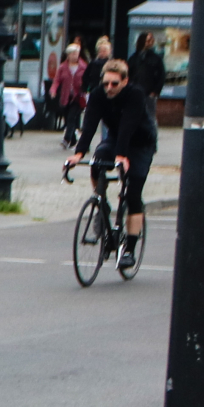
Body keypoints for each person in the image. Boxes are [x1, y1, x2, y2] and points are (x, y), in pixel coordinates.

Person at [66, 57, 157, 270]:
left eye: (114, 83)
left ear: (125, 81)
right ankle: (101, 202)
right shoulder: (98, 95)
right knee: (97, 161)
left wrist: (122, 156)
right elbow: (89, 124)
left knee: (133, 193)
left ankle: (129, 250)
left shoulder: (135, 94)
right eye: (106, 83)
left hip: (140, 143)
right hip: (116, 140)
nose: (109, 87)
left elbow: (129, 124)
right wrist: (78, 153)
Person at [50, 42, 88, 139]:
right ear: (68, 55)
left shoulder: (83, 67)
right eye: (72, 54)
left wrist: (86, 89)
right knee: (68, 119)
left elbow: (88, 79)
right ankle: (73, 139)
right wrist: (53, 90)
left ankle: (67, 138)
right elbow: (57, 80)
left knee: (72, 117)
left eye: (76, 53)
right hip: (66, 96)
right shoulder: (63, 67)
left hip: (78, 96)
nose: (74, 56)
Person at [128, 31, 168, 104]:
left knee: (149, 113)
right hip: (135, 92)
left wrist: (155, 91)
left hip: (149, 93)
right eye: (148, 40)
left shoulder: (156, 58)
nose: (150, 43)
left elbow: (161, 75)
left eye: (152, 41)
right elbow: (128, 74)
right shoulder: (133, 58)